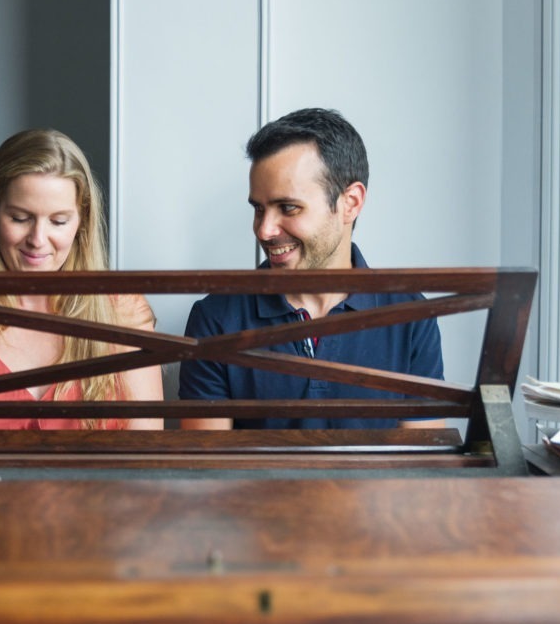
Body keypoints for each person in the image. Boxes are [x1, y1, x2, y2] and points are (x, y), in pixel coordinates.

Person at [178, 107, 443, 429]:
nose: (264, 230)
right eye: (259, 209)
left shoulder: (412, 318)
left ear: (350, 203)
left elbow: (420, 466)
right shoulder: (215, 318)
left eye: (288, 207)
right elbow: (209, 468)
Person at [0, 129, 163, 435]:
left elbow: (145, 446)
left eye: (58, 221)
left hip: (97, 485)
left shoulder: (124, 310)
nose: (37, 240)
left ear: (81, 222)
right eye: (20, 218)